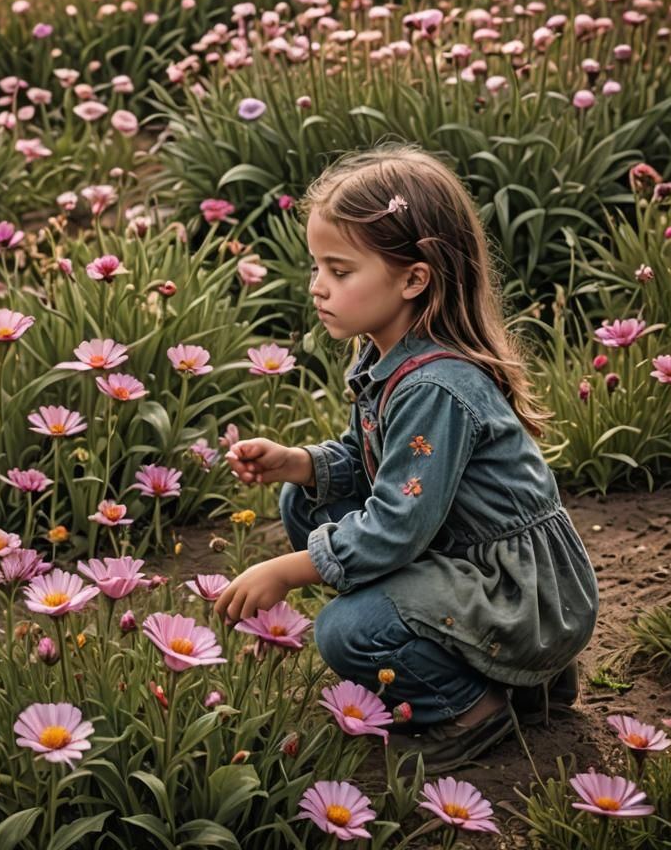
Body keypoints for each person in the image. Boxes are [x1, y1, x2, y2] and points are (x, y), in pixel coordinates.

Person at [216, 144, 599, 769]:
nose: (318, 287)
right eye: (316, 268)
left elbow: (396, 523)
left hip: (522, 595)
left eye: (340, 272)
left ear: (413, 278)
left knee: (347, 629)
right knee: (305, 500)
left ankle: (475, 707)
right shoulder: (387, 353)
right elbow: (375, 467)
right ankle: (525, 681)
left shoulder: (433, 386)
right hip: (467, 557)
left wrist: (286, 571)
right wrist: (300, 464)